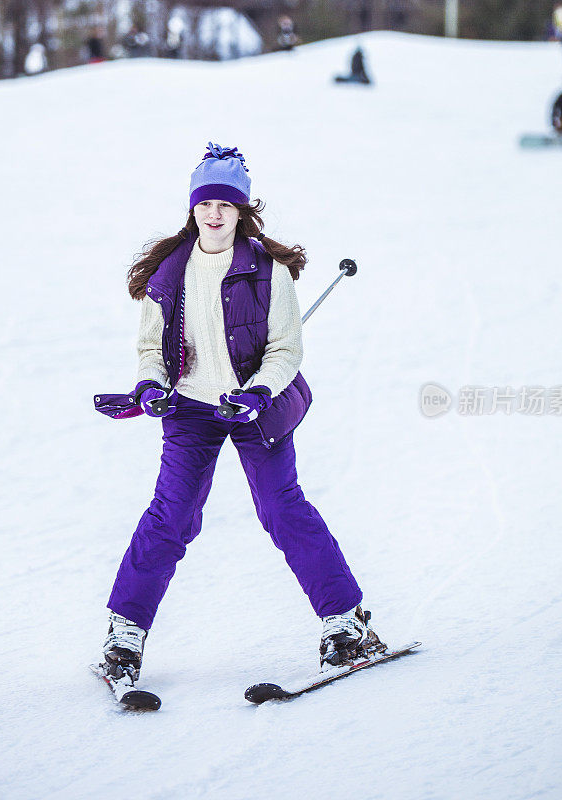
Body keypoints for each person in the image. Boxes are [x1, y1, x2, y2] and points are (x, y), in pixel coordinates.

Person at [98, 142, 386, 682]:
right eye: (205, 204)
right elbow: (150, 349)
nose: (214, 215)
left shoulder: (267, 270)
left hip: (254, 411)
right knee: (171, 517)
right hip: (190, 409)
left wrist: (258, 391)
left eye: (225, 206)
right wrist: (150, 386)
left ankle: (347, 623)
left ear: (241, 211)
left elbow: (286, 349)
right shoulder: (169, 271)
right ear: (192, 208)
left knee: (282, 510)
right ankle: (124, 634)